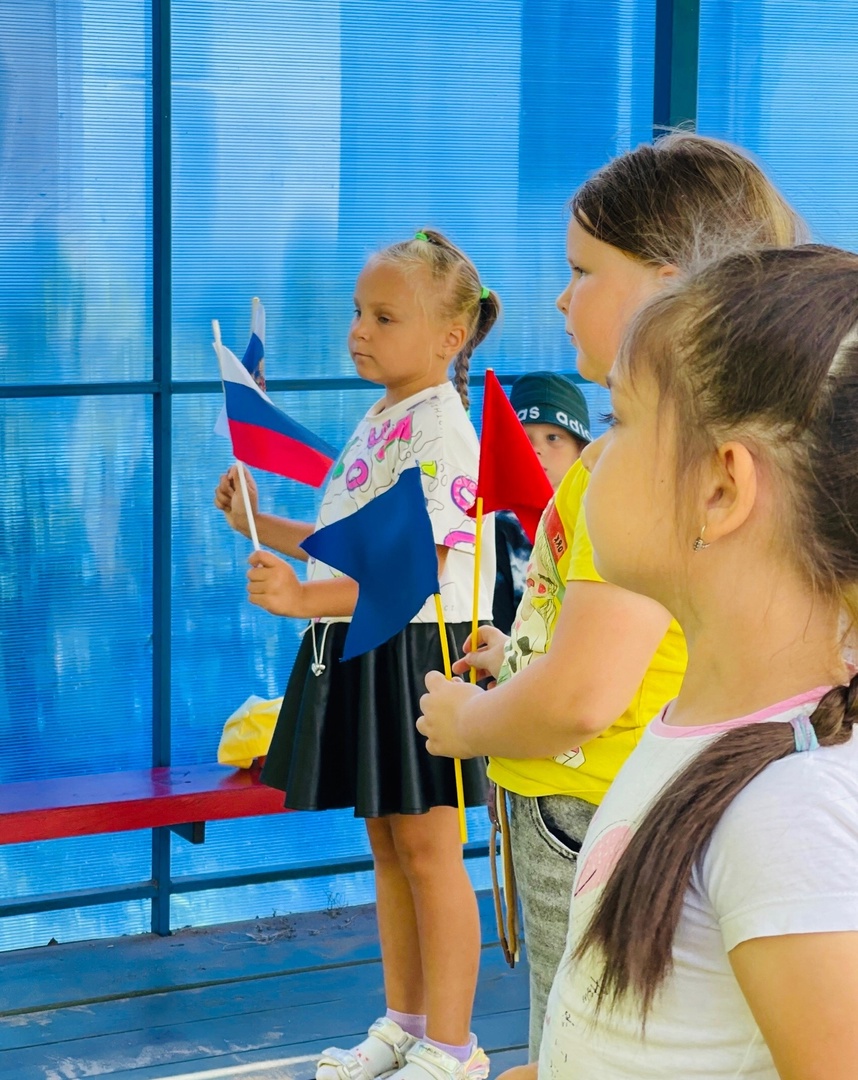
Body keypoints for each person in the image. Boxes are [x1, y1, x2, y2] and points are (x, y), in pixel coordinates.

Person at [416, 133, 807, 1061]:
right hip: (608, 804)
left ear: (669, 292)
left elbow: (587, 693)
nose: (561, 298)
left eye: (582, 270)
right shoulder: (696, 460)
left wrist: (471, 723)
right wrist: (516, 656)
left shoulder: (641, 477)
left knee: (578, 1037)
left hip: (587, 809)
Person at [531, 245, 858, 1078]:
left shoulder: (790, 813)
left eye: (617, 421)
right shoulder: (710, 734)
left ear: (720, 488)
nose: (593, 457)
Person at [214, 229, 500, 1080]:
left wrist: (302, 600)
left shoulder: (443, 431)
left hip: (419, 652)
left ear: (450, 336)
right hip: (366, 644)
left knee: (430, 852)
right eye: (357, 313)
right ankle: (405, 1025)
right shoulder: (384, 415)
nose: (359, 332)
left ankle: (454, 1047)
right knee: (389, 848)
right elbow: (350, 546)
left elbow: (413, 570)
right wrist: (258, 525)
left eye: (384, 317)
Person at [493, 372, 591, 635]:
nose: (536, 449)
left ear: (581, 450)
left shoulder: (599, 516)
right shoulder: (494, 526)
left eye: (553, 438)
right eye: (525, 438)